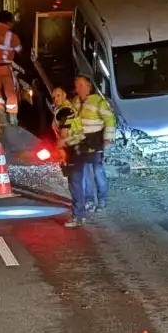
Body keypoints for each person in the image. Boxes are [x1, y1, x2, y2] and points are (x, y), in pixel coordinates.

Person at [72, 75, 116, 214]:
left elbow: (110, 119)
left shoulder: (98, 101)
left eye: (81, 85)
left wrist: (107, 138)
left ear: (89, 86)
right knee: (84, 173)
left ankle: (102, 200)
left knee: (98, 172)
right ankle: (89, 200)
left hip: (96, 141)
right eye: (77, 85)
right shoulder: (75, 102)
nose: (78, 88)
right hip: (81, 142)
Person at [51, 88, 87, 228]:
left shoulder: (64, 110)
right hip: (77, 149)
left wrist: (59, 149)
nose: (55, 99)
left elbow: (63, 134)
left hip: (73, 150)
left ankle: (78, 216)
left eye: (58, 96)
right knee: (77, 183)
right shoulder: (67, 108)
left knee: (75, 184)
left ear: (64, 95)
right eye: (53, 97)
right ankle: (80, 213)